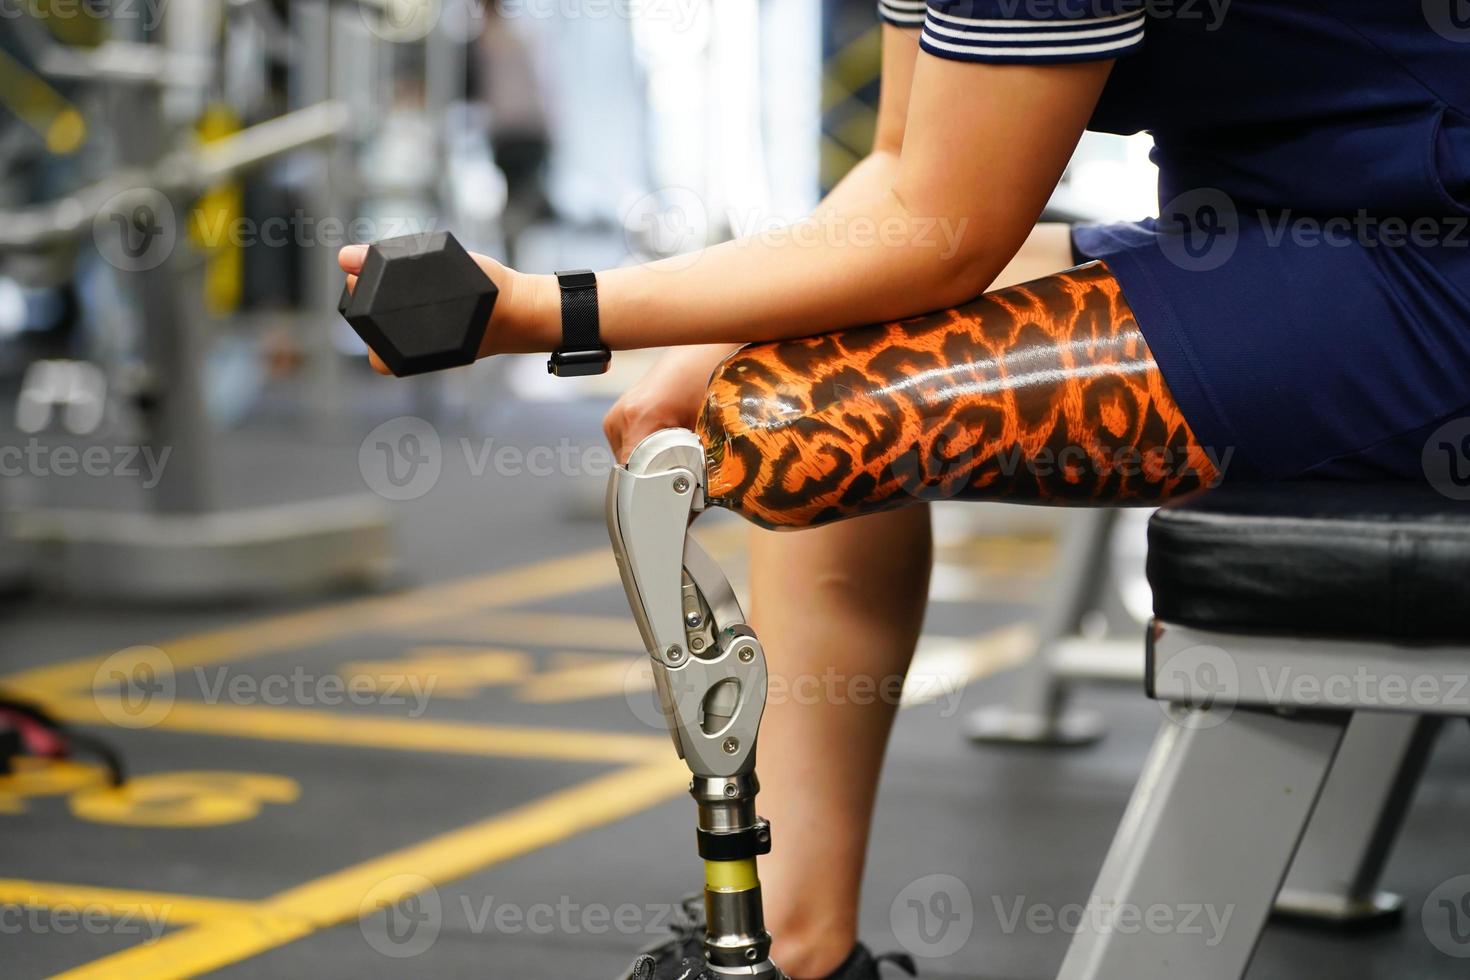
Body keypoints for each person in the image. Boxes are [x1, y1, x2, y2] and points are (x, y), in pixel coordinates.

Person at [341, 3, 1470, 977]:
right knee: (775, 364)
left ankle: (792, 947)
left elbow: (945, 236)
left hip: (1422, 264)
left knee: (795, 423)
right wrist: (717, 315)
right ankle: (804, 946)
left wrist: (547, 311)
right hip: (1286, 222)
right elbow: (901, 166)